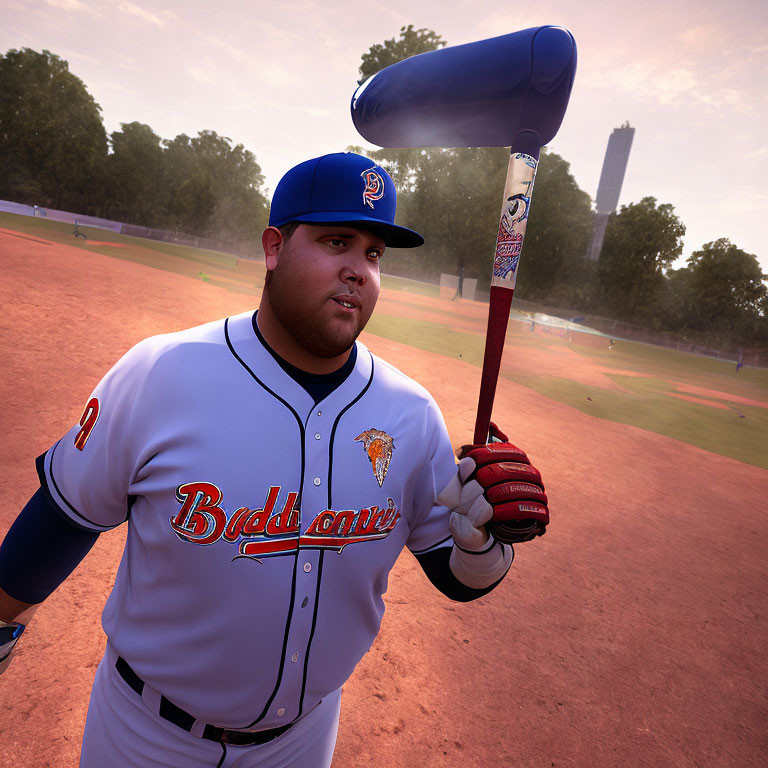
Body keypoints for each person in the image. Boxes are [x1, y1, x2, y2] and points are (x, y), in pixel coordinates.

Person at [0, 153, 549, 768]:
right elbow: (65, 516)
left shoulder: (411, 414)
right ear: (273, 247)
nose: (358, 271)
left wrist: (486, 542)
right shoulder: (163, 372)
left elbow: (455, 573)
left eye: (373, 254)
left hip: (301, 743)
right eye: (336, 241)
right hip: (145, 738)